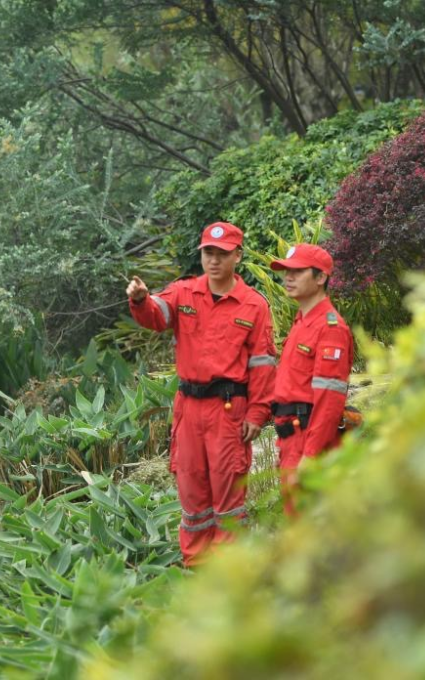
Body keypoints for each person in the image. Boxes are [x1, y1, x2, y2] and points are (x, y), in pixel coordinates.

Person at [126, 222, 277, 566]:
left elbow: (263, 365)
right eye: (208, 252)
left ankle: (226, 573)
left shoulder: (254, 305)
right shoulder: (183, 293)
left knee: (228, 492)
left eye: (222, 254)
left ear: (237, 256)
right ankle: (194, 566)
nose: (214, 260)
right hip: (189, 409)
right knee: (192, 491)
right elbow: (155, 315)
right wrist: (139, 300)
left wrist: (257, 413)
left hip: (229, 410)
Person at [268, 244, 353, 516]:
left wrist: (310, 456)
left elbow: (329, 399)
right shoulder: (302, 321)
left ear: (320, 278)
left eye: (297, 271)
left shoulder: (330, 328)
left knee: (312, 528)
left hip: (309, 440)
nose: (288, 277)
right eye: (286, 272)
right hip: (292, 438)